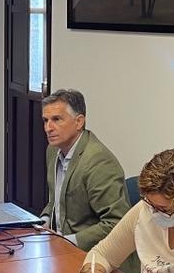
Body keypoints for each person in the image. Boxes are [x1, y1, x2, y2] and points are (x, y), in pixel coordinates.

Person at [39, 89, 130, 252]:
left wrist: (67, 241)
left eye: (56, 119)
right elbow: (56, 200)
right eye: (45, 120)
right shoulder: (53, 150)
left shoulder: (98, 161)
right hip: (58, 247)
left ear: (79, 122)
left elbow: (116, 223)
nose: (48, 128)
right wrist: (43, 222)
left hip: (92, 254)